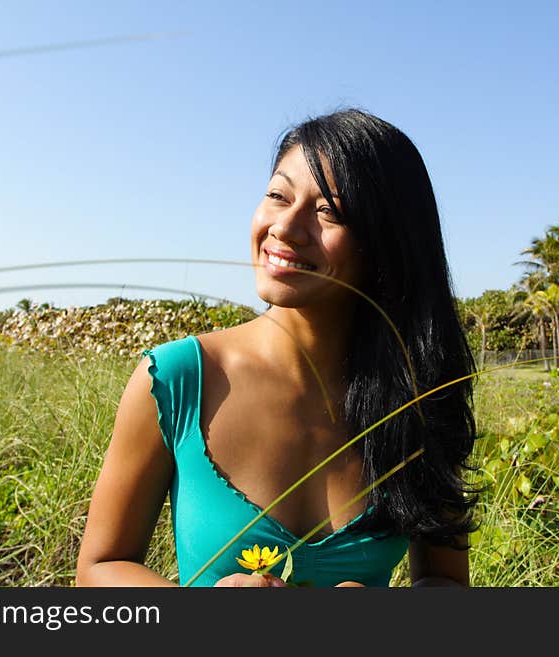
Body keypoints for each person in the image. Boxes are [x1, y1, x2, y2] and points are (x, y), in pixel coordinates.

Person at [76, 108, 478, 588]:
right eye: (277, 196)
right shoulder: (176, 379)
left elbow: (446, 581)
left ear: (387, 243)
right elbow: (97, 569)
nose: (285, 228)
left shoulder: (419, 397)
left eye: (329, 211)